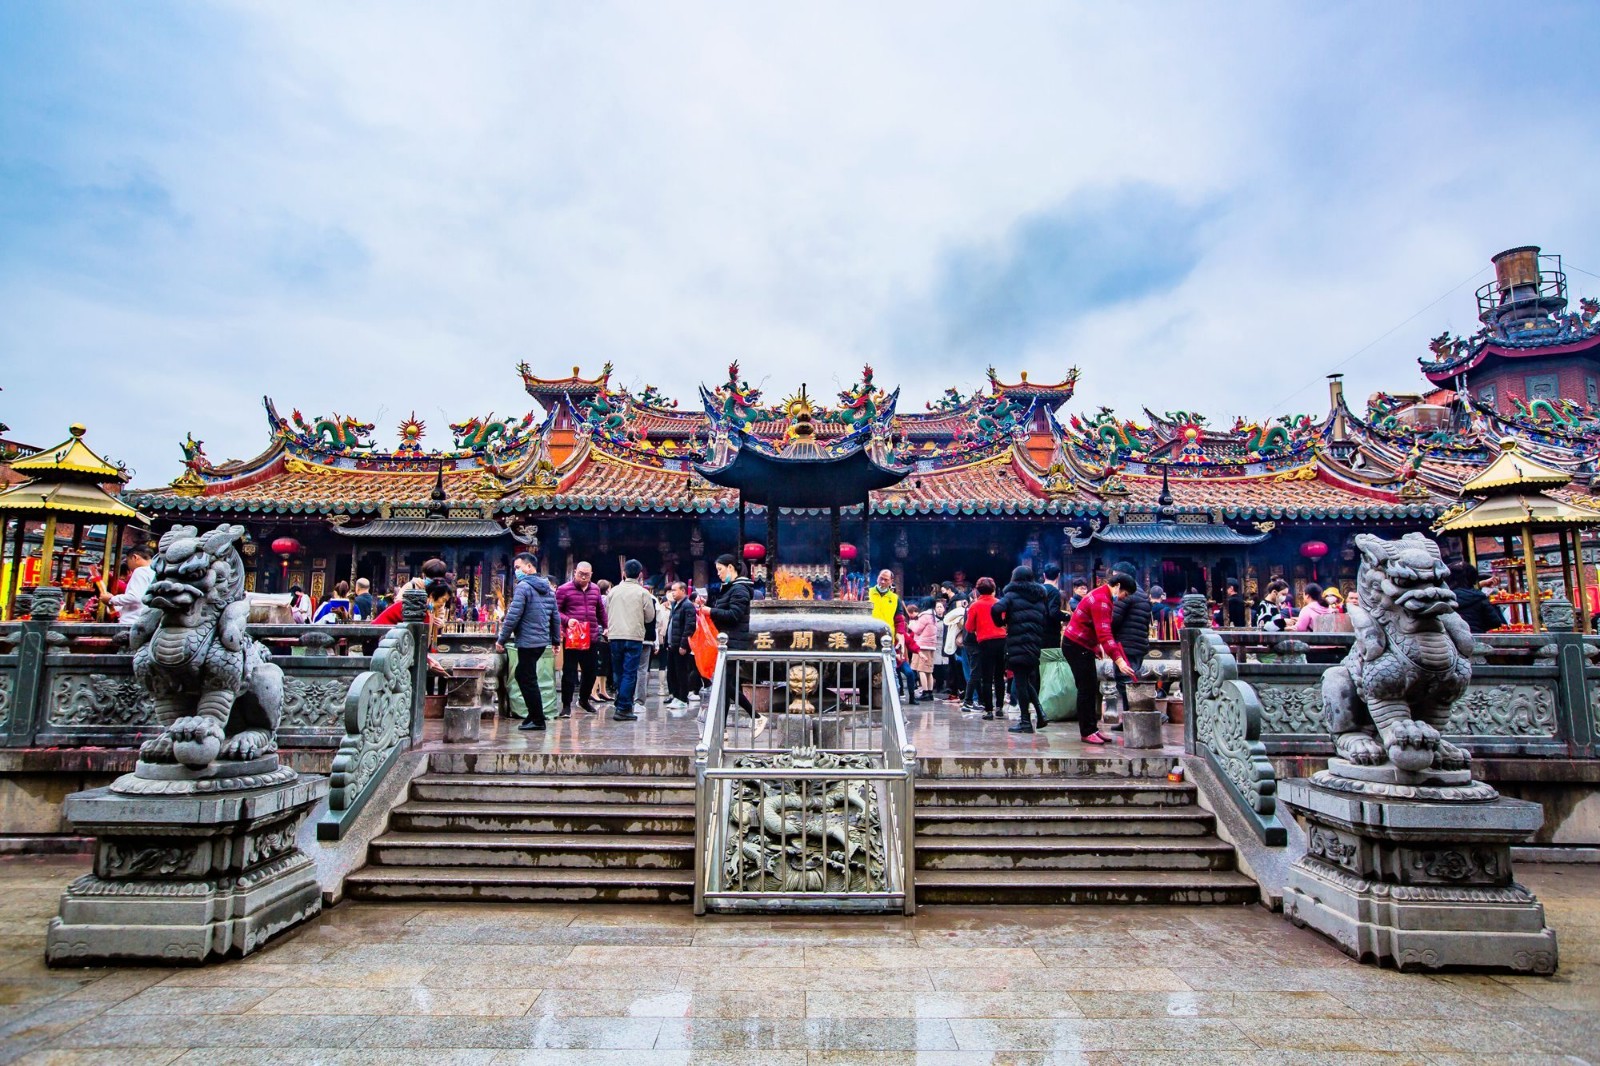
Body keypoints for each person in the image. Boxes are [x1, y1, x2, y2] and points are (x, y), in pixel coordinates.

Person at [1062, 571, 1138, 745]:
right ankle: (1087, 731)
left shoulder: (1103, 595)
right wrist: (1119, 660)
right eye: (1125, 594)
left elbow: (1092, 626)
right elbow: (1105, 634)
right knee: (1086, 688)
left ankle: (1093, 729)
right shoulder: (1102, 600)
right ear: (1118, 586)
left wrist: (1095, 646)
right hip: (1076, 645)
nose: (1123, 598)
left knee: (1090, 687)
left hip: (1081, 644)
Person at [495, 552, 560, 731]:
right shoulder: (548, 589)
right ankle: (533, 715)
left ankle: (537, 719)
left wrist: (502, 639)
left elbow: (513, 616)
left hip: (528, 640)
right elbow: (555, 617)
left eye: (518, 567)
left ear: (529, 567)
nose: (516, 571)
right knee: (524, 675)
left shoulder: (523, 587)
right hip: (541, 640)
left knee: (526, 677)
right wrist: (555, 641)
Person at [990, 565, 1055, 734]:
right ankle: (1040, 714)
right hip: (1034, 642)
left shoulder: (1012, 595)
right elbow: (1046, 617)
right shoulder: (1040, 596)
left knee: (1020, 683)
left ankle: (1025, 721)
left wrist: (1001, 623)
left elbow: (996, 608)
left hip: (1017, 643)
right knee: (1025, 680)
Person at [705, 554, 758, 728]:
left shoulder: (739, 589)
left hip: (734, 644)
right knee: (725, 687)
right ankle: (722, 729)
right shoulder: (731, 588)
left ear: (730, 567)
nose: (718, 573)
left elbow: (734, 615)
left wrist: (710, 611)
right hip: (727, 643)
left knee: (725, 686)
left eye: (720, 569)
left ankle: (756, 717)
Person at [604, 560, 656, 722]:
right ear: (640, 575)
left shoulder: (613, 591)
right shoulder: (643, 593)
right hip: (633, 636)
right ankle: (624, 707)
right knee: (630, 672)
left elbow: (607, 611)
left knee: (618, 671)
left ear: (624, 573)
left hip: (615, 635)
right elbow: (650, 617)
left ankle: (619, 701)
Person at [555, 561, 608, 717]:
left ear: (591, 574)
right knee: (569, 672)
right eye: (580, 574)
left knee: (591, 672)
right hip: (573, 637)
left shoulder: (595, 589)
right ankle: (566, 706)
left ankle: (584, 700)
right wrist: (567, 620)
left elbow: (600, 610)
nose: (583, 577)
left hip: (591, 636)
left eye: (587, 575)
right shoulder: (564, 589)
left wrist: (606, 626)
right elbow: (555, 611)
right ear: (575, 573)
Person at [964, 577, 1007, 720]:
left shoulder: (975, 606)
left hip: (985, 642)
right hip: (1001, 640)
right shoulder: (999, 603)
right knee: (999, 675)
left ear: (978, 590)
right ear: (993, 589)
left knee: (986, 677)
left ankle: (989, 710)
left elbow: (969, 627)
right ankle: (1000, 707)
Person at [1110, 579, 1152, 719]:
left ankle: (1141, 716)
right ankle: (1129, 720)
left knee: (1126, 682)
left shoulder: (1126, 594)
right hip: (1138, 643)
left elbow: (1114, 619)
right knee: (1131, 680)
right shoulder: (1143, 594)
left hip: (1126, 644)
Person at [663, 581, 696, 709]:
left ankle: (683, 698)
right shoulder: (675, 605)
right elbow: (671, 625)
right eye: (671, 590)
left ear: (683, 591)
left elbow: (689, 627)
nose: (672, 593)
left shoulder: (687, 606)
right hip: (672, 644)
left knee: (681, 673)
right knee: (672, 673)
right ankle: (676, 696)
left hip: (680, 645)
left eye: (675, 590)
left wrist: (684, 644)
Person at [1449, 563, 1506, 633]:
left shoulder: (1443, 597)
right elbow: (1495, 623)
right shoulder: (1479, 597)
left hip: (1450, 637)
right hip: (1477, 636)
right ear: (1473, 578)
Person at [108, 545, 154, 627]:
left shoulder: (140, 570)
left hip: (132, 622)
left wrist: (111, 599)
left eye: (127, 561)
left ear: (135, 557)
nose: (128, 565)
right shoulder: (154, 572)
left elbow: (134, 597)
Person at [941, 597, 968, 704]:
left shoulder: (963, 615)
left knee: (961, 671)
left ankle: (963, 694)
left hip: (961, 648)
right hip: (957, 648)